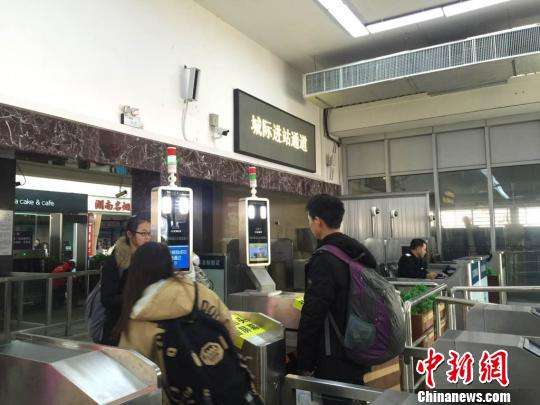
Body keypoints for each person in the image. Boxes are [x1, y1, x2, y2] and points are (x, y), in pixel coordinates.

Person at [115, 242, 234, 399]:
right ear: (169, 264)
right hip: (225, 387)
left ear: (136, 272)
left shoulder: (139, 319)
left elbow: (133, 374)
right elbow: (230, 329)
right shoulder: (200, 293)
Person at [297, 194, 376, 398]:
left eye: (309, 220)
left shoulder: (324, 259)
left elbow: (313, 312)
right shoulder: (357, 251)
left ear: (318, 221)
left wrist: (305, 361)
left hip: (334, 353)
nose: (310, 225)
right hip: (360, 342)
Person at [100, 213, 151, 345]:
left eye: (149, 233)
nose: (147, 237)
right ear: (130, 234)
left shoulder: (149, 259)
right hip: (117, 329)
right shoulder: (115, 262)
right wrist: (137, 297)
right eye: (143, 233)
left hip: (141, 328)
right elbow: (107, 299)